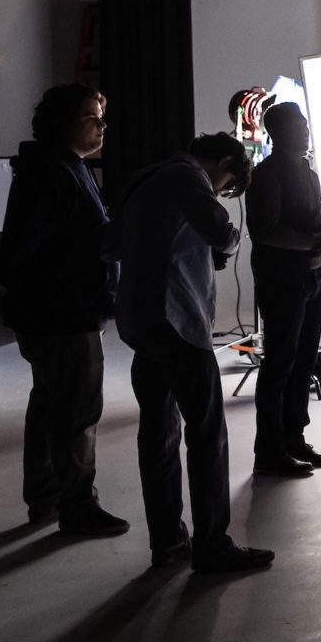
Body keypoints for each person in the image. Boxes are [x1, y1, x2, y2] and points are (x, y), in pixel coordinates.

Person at [114, 133, 273, 575]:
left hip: (142, 320)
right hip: (177, 321)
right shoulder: (187, 178)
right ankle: (213, 545)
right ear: (222, 163)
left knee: (158, 433)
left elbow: (113, 242)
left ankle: (167, 541)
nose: (221, 192)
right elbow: (222, 233)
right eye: (225, 186)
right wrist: (228, 240)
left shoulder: (147, 178)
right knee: (206, 435)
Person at [0, 83, 126, 535]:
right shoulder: (53, 173)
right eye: (92, 117)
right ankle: (78, 507)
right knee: (76, 414)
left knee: (51, 405)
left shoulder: (65, 167)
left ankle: (47, 499)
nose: (102, 125)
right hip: (63, 313)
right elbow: (22, 247)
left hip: (62, 309)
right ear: (62, 122)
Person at [246, 101, 321, 477]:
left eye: (305, 124)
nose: (305, 130)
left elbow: (320, 215)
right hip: (283, 281)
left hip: (311, 278)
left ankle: (294, 438)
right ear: (278, 132)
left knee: (303, 362)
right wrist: (313, 243)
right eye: (298, 125)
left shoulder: (307, 172)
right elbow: (265, 231)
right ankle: (269, 451)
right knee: (280, 364)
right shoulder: (266, 175)